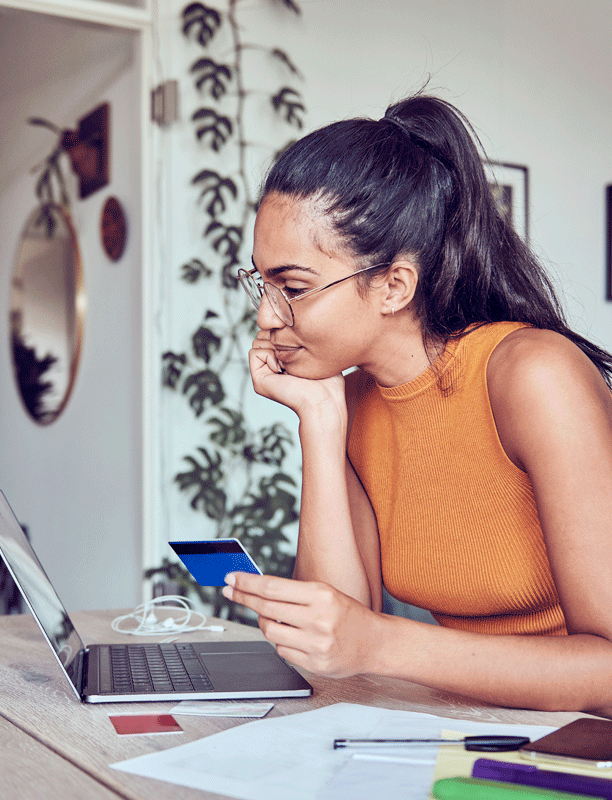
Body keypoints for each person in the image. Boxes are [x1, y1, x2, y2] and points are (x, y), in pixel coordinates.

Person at [222, 93, 612, 716]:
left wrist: (379, 643)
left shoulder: (533, 375)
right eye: (261, 285)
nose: (267, 318)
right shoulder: (350, 403)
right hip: (465, 729)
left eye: (292, 288)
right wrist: (319, 423)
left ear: (394, 286)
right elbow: (335, 654)